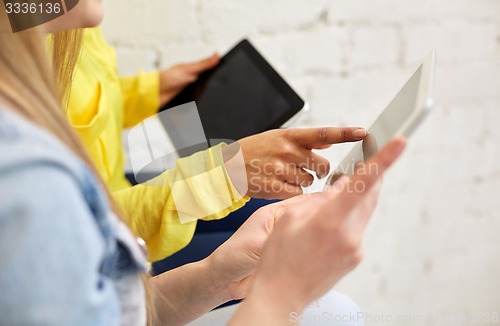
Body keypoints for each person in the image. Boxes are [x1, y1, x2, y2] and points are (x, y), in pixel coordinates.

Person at [0, 2, 407, 325]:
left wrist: (152, 90)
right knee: (330, 307)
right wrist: (280, 292)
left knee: (268, 211)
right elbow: (90, 228)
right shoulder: (32, 182)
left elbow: (86, 94)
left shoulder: (53, 27)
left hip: (111, 190)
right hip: (115, 215)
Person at [67, 25, 369, 262]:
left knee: (275, 206)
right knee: (284, 252)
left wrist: (153, 90)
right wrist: (219, 176)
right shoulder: (27, 66)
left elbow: (85, 101)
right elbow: (74, 233)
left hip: (113, 188)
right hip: (104, 236)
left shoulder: (72, 21)